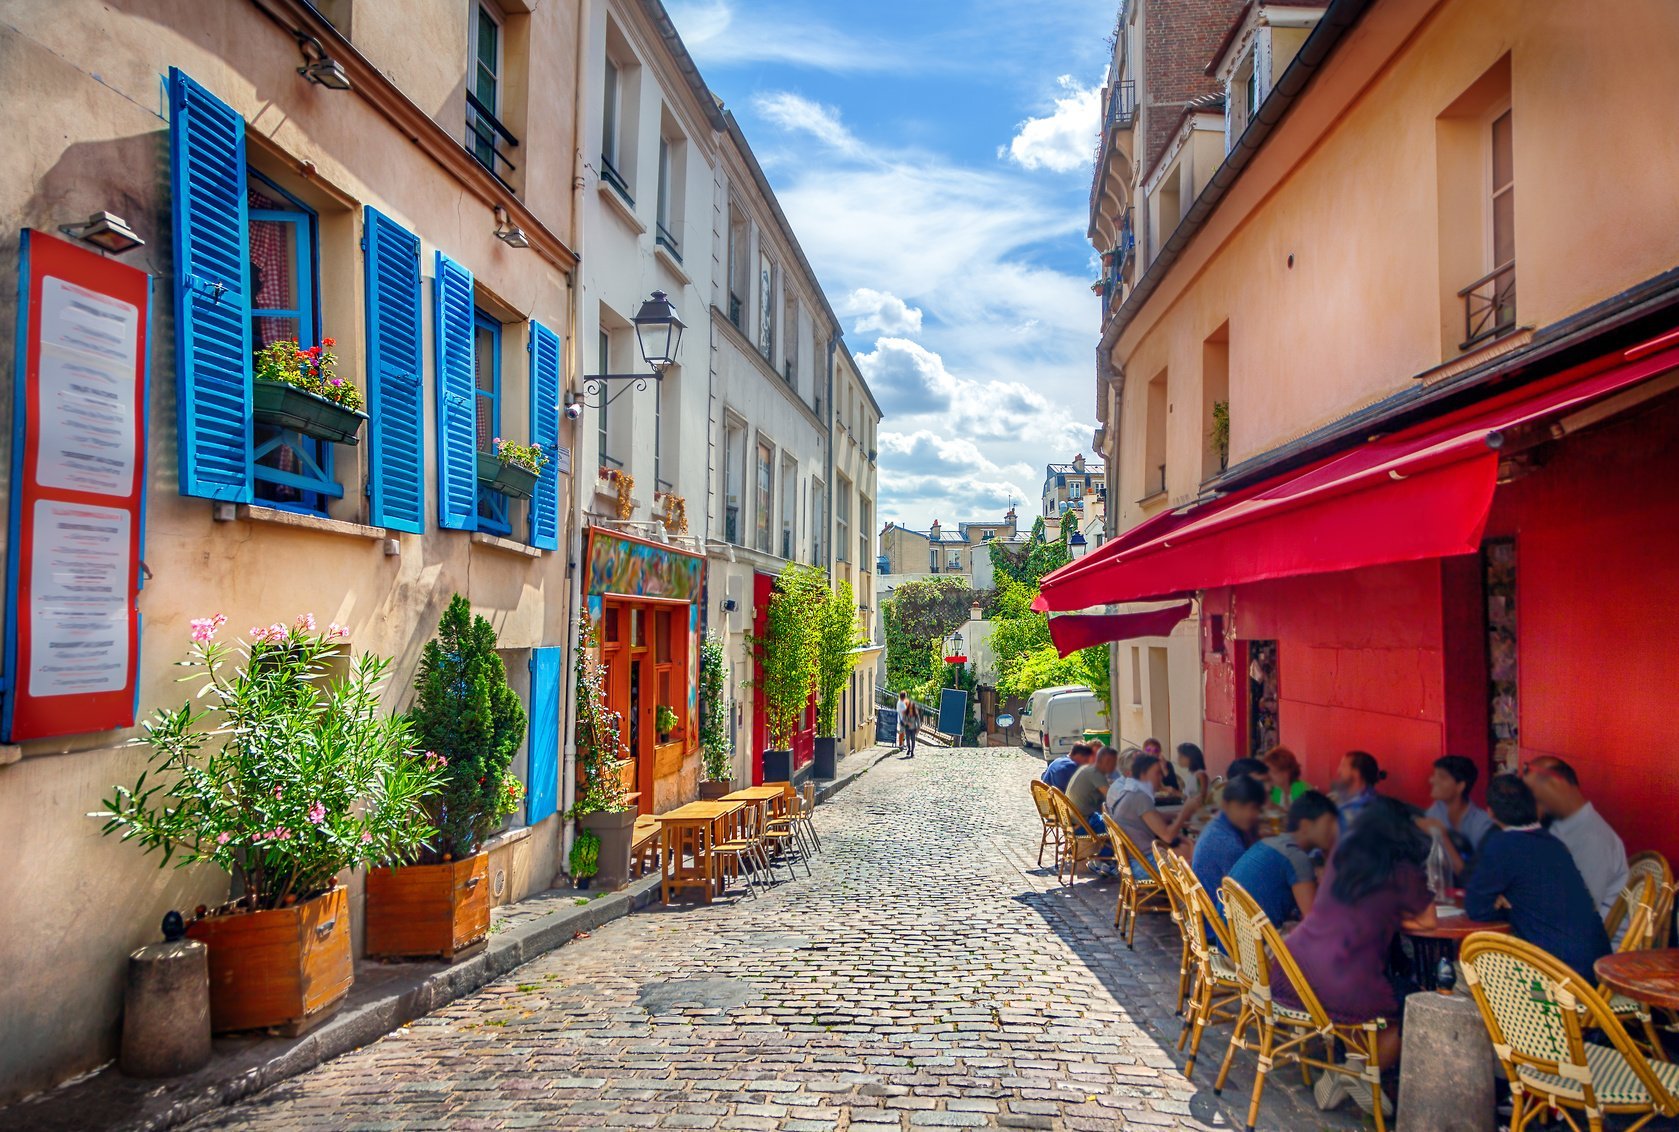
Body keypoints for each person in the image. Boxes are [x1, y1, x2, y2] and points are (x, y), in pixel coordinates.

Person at [1275, 797, 1435, 1073]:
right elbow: (1428, 920)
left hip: (1294, 971)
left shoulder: (1343, 857)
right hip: (1341, 983)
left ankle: (1348, 1068)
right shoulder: (1404, 871)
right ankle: (1359, 1076)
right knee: (1411, 1003)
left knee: (1372, 993)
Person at [1465, 774, 1611, 982]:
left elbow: (1476, 909)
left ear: (1490, 813)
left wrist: (1504, 905)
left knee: (1464, 973)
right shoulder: (1554, 844)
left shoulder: (1502, 845)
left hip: (1557, 976)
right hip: (1597, 971)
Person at [1523, 755, 1628, 918]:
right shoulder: (1557, 825)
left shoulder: (1593, 838)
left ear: (1556, 785)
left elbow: (1579, 908)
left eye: (1535, 797)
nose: (1531, 804)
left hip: (1597, 937)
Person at [1228, 791, 1340, 926]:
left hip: (1230, 939)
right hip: (1256, 944)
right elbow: (1315, 923)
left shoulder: (1271, 842)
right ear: (1305, 825)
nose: (1335, 830)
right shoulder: (1297, 857)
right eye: (1329, 824)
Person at [1104, 753, 1205, 875]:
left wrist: (1180, 815)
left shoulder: (1130, 792)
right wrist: (1185, 812)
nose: (1161, 777)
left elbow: (1155, 817)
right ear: (1143, 774)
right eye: (1157, 773)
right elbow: (1168, 836)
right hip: (1144, 866)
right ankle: (1204, 890)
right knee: (1200, 852)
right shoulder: (1140, 797)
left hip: (1133, 863)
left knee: (1190, 845)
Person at [1415, 754, 1496, 882]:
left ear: (1460, 786)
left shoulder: (1483, 825)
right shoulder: (1435, 811)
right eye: (1434, 775)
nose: (1432, 780)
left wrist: (1440, 836)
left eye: (1441, 777)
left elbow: (1474, 878)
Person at [1193, 774, 1265, 903]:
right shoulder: (1226, 842)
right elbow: (1249, 893)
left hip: (1214, 910)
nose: (1248, 814)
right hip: (1221, 918)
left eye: (1254, 808)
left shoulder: (1221, 825)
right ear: (1225, 805)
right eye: (1241, 807)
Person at [1067, 747, 1122, 878]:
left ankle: (1107, 860)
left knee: (1110, 819)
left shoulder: (1088, 769)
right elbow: (1111, 798)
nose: (1115, 767)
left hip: (1073, 820)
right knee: (1118, 827)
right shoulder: (1096, 773)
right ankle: (1103, 860)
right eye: (1114, 763)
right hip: (1083, 824)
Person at [1332, 750, 1386, 828]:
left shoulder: (1370, 807)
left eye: (1343, 766)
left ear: (1356, 773)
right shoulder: (1336, 798)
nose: (1338, 771)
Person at [1175, 743, 1211, 807]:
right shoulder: (1192, 775)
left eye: (1181, 756)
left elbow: (1201, 799)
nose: (1178, 759)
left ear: (1190, 758)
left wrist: (1175, 792)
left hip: (1198, 812)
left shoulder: (1200, 775)